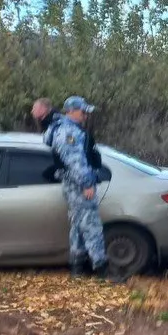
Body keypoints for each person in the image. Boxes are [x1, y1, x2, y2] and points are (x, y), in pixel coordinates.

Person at [44, 96, 114, 280]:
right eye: (83, 111)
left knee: (78, 226)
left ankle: (77, 267)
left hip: (73, 184)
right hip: (78, 185)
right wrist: (87, 183)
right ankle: (102, 269)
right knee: (91, 226)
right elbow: (76, 162)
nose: (85, 115)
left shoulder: (66, 129)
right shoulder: (68, 133)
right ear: (72, 111)